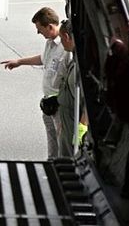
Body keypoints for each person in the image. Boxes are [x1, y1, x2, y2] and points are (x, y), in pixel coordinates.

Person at [0, 7, 65, 159]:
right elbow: (43, 59)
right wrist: (19, 62)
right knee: (51, 137)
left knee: (62, 139)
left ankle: (63, 165)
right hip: (48, 100)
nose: (38, 32)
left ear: (50, 26)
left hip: (60, 103)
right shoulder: (50, 43)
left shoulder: (66, 47)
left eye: (39, 29)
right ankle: (51, 162)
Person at [57, 19, 88, 157]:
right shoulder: (75, 60)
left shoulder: (81, 67)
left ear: (67, 37)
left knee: (73, 161)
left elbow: (87, 101)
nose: (61, 43)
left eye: (61, 39)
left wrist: (81, 129)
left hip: (75, 127)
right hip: (67, 124)